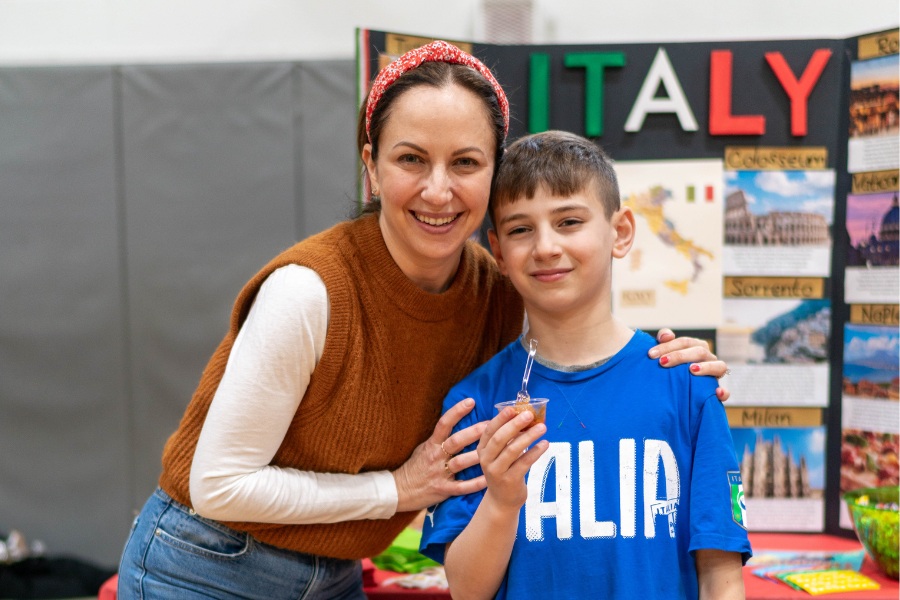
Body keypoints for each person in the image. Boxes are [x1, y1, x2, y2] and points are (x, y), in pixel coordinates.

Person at [117, 42, 731, 599]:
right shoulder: (308, 292)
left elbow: (582, 331)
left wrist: (678, 363)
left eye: (465, 163)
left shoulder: (499, 292)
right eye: (412, 159)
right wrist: (399, 490)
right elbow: (218, 484)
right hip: (207, 564)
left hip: (334, 573)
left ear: (493, 174)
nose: (438, 191)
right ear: (372, 167)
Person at [420, 130, 751, 599]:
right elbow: (467, 590)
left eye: (569, 221)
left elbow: (721, 576)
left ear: (620, 232)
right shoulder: (474, 405)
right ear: (498, 252)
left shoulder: (687, 386)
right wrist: (501, 499)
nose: (546, 247)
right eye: (520, 229)